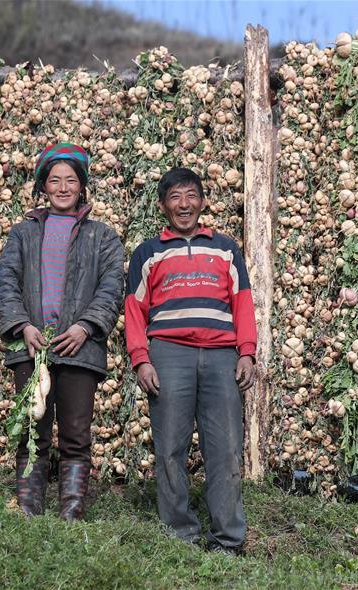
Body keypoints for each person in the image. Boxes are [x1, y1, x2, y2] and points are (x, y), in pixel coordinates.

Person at [125, 167, 258, 555]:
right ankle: (179, 535)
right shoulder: (148, 252)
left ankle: (227, 539)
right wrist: (141, 359)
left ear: (202, 202)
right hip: (169, 354)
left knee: (226, 448)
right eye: (175, 197)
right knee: (170, 448)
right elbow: (134, 310)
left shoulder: (225, 249)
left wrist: (247, 352)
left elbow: (243, 303)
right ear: (162, 206)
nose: (184, 204)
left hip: (221, 357)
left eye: (191, 196)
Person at [0, 143, 125, 521]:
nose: (63, 188)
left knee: (76, 432)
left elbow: (112, 287)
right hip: (32, 345)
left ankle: (71, 512)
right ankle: (29, 508)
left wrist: (86, 327)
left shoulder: (102, 236)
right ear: (43, 186)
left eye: (71, 180)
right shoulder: (23, 234)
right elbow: (6, 283)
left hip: (79, 348)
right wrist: (23, 326)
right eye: (55, 181)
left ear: (82, 186)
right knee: (31, 429)